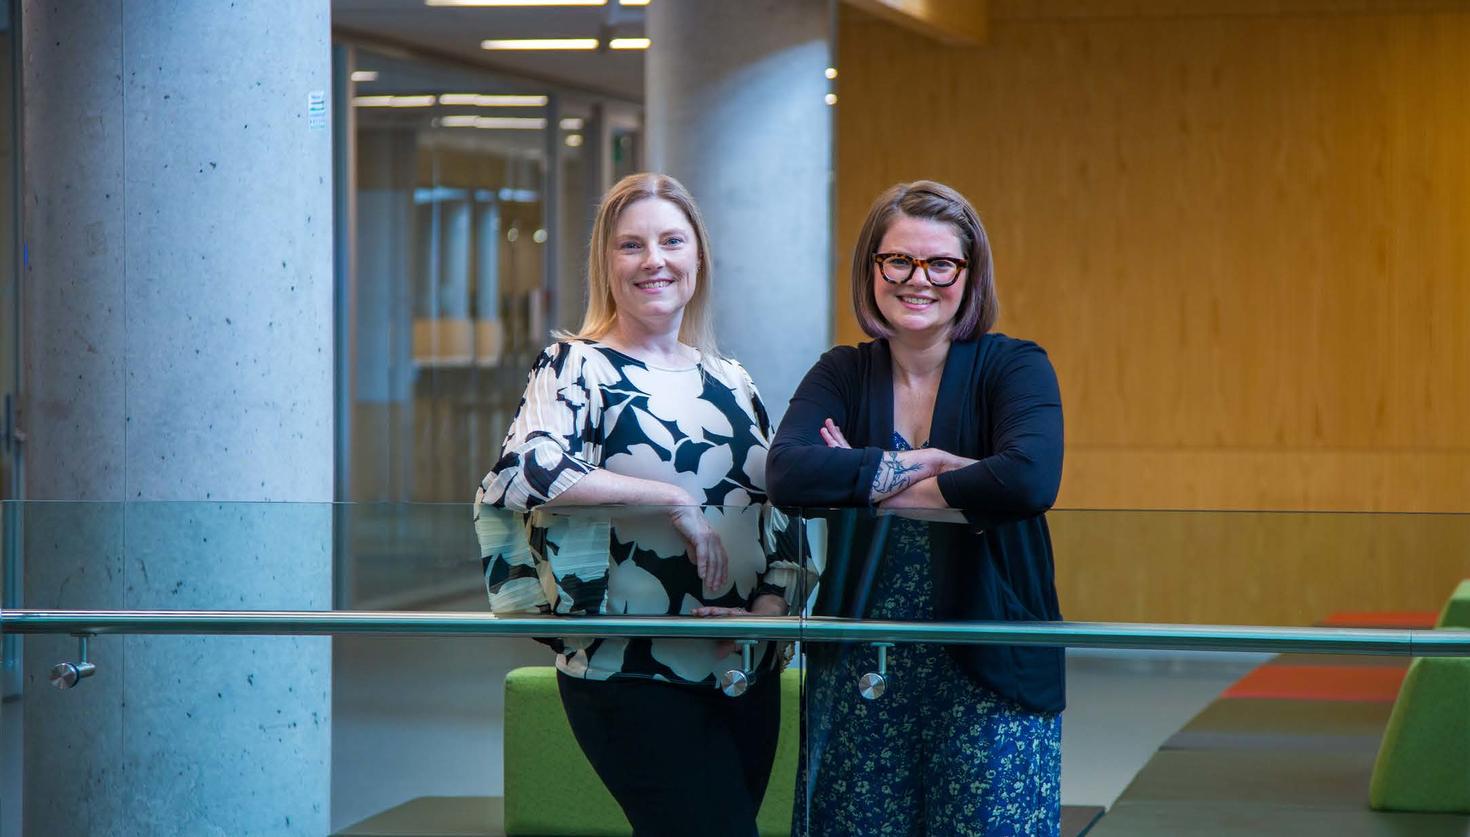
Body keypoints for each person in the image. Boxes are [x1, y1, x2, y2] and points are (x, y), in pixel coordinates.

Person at [476, 173, 803, 837]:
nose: (654, 260)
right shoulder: (577, 366)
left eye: (671, 241)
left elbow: (782, 517)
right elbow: (526, 471)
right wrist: (670, 498)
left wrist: (766, 612)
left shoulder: (731, 380)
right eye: (632, 245)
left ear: (698, 257)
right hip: (629, 669)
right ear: (606, 262)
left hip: (741, 668)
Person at [768, 181, 1065, 836]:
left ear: (970, 273)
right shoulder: (843, 373)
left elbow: (1028, 481)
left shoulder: (1013, 366)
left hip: (990, 669)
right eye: (898, 260)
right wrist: (942, 465)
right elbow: (788, 473)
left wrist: (865, 478)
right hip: (861, 672)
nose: (917, 279)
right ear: (873, 268)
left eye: (940, 264)